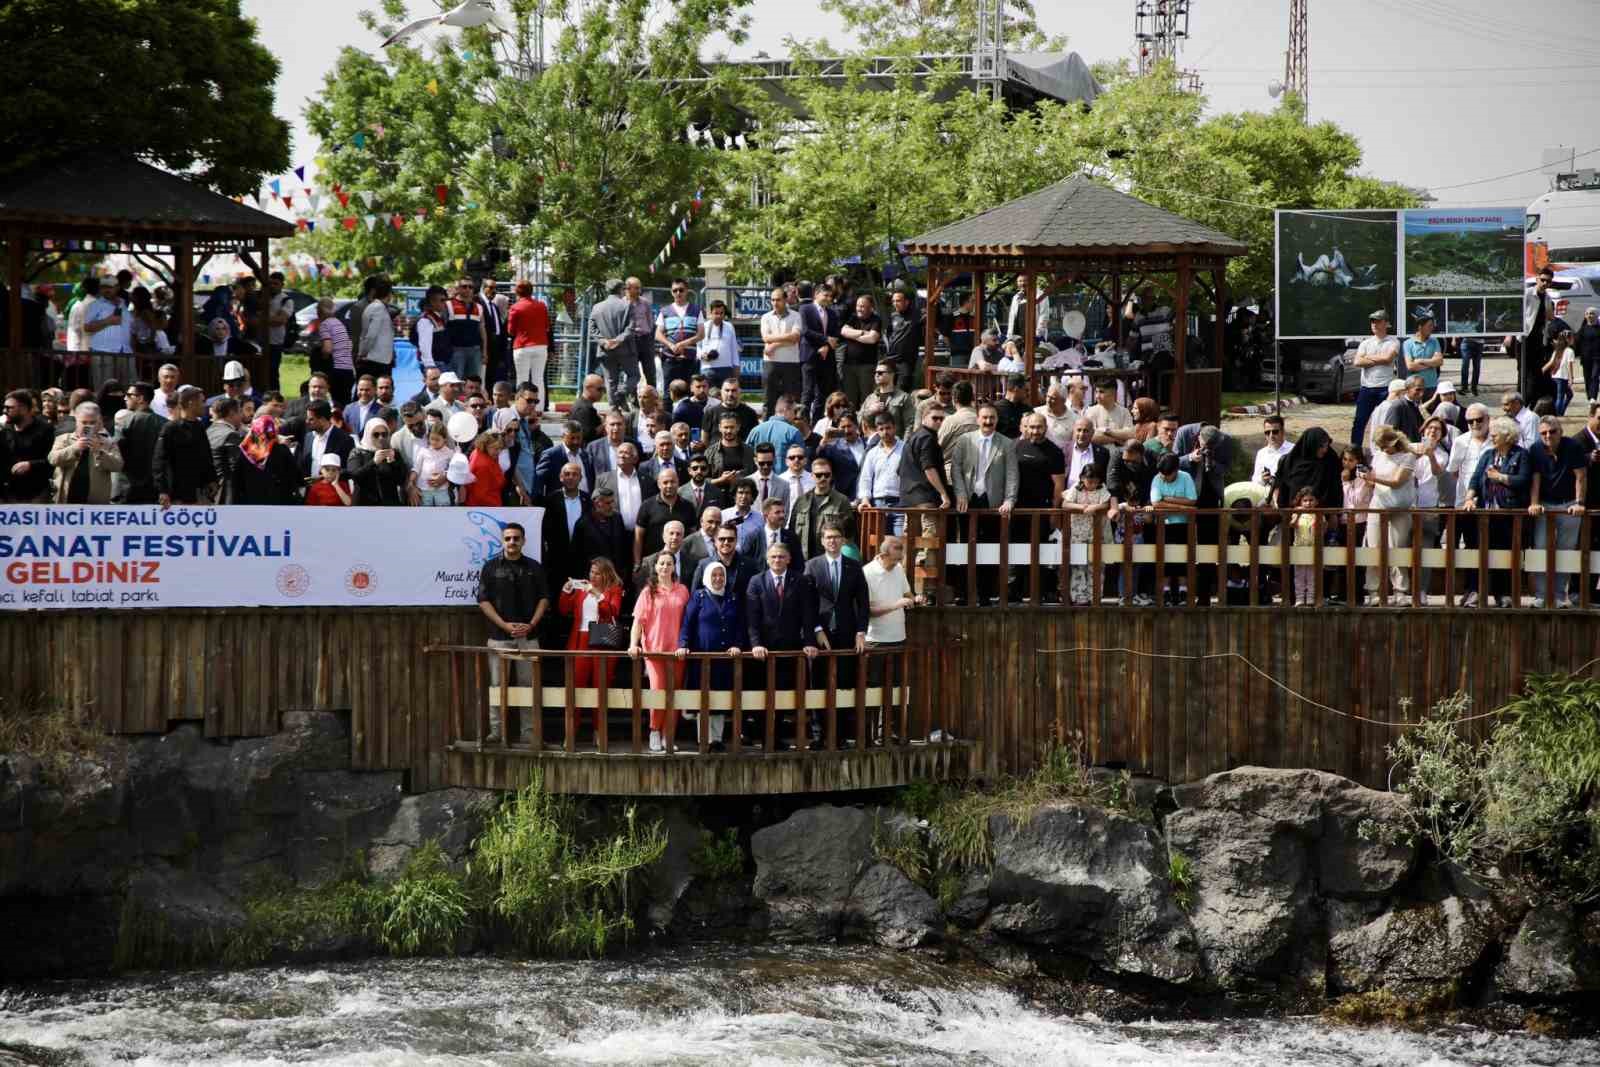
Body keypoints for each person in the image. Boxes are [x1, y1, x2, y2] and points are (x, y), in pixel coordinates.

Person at [477, 523, 550, 744]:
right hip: (499, 637)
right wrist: (504, 625)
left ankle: (528, 733)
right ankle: (497, 732)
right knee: (497, 687)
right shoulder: (490, 567)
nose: (512, 542)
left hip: (528, 638)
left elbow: (544, 599)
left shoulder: (534, 567)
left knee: (529, 687)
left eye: (516, 538)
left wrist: (531, 624)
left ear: (523, 541)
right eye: (508, 538)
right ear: (502, 540)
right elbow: (482, 601)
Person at [1464, 416, 1534, 607]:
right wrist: (1469, 498)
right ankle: (1476, 592)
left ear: (1507, 435)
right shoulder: (1488, 454)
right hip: (1486, 513)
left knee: (1505, 555)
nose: (1492, 436)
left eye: (1495, 434)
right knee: (1480, 553)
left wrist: (1500, 477)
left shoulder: (1521, 455)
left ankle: (1503, 594)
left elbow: (1523, 481)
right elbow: (1475, 478)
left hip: (1508, 514)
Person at [676, 560, 744, 750]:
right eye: (714, 575)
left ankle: (717, 739)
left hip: (724, 658)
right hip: (702, 657)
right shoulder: (699, 596)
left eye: (721, 575)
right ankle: (704, 739)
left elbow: (740, 626)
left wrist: (737, 645)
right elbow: (687, 623)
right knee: (703, 697)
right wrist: (683, 644)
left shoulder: (732, 597)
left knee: (720, 698)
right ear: (707, 576)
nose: (718, 578)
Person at [629, 552, 690, 753]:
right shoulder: (648, 592)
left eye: (669, 563)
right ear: (655, 567)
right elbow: (638, 622)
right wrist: (633, 644)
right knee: (658, 692)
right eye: (662, 563)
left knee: (675, 694)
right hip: (654, 651)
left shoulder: (683, 590)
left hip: (677, 652)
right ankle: (654, 731)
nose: (665, 567)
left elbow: (688, 622)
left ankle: (668, 735)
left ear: (674, 567)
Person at [1527, 414, 1587, 608]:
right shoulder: (1535, 449)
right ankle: (1541, 595)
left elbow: (1580, 476)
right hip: (1545, 504)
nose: (1548, 435)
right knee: (1540, 548)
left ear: (1560, 431)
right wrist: (1534, 503)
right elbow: (1535, 478)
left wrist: (1578, 502)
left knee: (1566, 550)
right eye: (1543, 432)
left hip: (1568, 504)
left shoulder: (1573, 446)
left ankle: (1560, 595)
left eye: (1552, 431)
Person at [561, 558, 625, 737]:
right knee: (576, 687)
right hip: (579, 640)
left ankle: (599, 732)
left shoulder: (614, 590)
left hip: (601, 640)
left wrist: (597, 594)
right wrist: (566, 592)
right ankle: (571, 732)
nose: (593, 576)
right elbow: (564, 609)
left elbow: (611, 612)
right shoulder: (583, 589)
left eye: (597, 573)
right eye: (591, 572)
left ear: (606, 574)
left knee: (601, 688)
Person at [1361, 427, 1417, 605]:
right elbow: (1373, 481)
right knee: (1374, 548)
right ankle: (1373, 590)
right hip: (1378, 505)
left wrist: (1374, 478)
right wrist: (1367, 479)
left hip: (1400, 507)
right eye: (1381, 447)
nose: (1384, 450)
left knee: (1398, 548)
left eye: (1386, 446)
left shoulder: (1408, 456)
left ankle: (1400, 591)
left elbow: (1397, 482)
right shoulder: (1378, 456)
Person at [49, 402, 123, 504]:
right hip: (66, 499)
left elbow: (118, 466)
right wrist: (75, 448)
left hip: (95, 502)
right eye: (84, 422)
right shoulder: (64, 439)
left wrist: (99, 451)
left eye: (92, 423)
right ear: (77, 421)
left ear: (99, 422)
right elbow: (53, 459)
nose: (88, 426)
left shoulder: (108, 442)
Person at [1061, 463, 1114, 605]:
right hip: (1079, 534)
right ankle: (1079, 597)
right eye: (1089, 481)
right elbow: (1065, 504)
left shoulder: (1102, 489)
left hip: (1097, 535)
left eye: (1095, 481)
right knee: (1079, 565)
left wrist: (1095, 507)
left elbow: (1106, 503)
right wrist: (1082, 508)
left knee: (1096, 566)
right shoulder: (1076, 489)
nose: (1092, 484)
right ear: (1082, 478)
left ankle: (1095, 596)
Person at [152, 387, 215, 506]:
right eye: (202, 401)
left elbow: (206, 456)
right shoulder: (171, 428)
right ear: (191, 403)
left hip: (199, 493)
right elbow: (159, 461)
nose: (205, 405)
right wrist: (163, 490)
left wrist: (211, 480)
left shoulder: (200, 427)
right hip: (177, 496)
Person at [1147, 452, 1196, 604]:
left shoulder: (1185, 477)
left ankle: (1183, 592)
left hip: (1183, 525)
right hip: (1164, 525)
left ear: (1176, 470)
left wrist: (1167, 499)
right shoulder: (1157, 478)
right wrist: (1181, 505)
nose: (1163, 477)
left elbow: (1192, 500)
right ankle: (1166, 592)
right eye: (1162, 474)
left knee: (1182, 558)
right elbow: (1155, 502)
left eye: (1167, 474)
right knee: (1165, 558)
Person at [1350, 309, 1401, 452]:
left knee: (1385, 422)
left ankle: (1385, 451)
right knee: (1359, 421)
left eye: (1378, 321)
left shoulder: (1393, 341)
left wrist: (1369, 358)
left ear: (1386, 324)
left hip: (1385, 389)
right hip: (1366, 388)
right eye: (1373, 321)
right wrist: (1378, 359)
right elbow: (1357, 362)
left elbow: (1388, 359)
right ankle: (1355, 451)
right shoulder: (1365, 343)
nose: (1374, 324)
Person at [790, 457, 857, 561]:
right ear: (812, 476)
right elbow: (792, 532)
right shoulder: (801, 501)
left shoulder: (841, 501)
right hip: (804, 560)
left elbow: (849, 535)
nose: (823, 478)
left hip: (829, 559)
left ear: (831, 476)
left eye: (827, 475)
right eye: (818, 475)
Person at [230, 414, 300, 505]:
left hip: (251, 503)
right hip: (279, 503)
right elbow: (296, 475)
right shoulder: (282, 450)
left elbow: (236, 481)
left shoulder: (244, 452)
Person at [590, 279, 638, 409]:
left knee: (610, 380)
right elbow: (631, 327)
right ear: (621, 290)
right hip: (625, 349)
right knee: (634, 375)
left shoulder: (597, 307)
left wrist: (604, 341)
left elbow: (592, 328)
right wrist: (618, 340)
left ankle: (613, 408)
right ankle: (621, 393)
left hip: (605, 350)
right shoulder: (627, 306)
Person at [348, 418, 412, 506]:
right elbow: (354, 476)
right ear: (368, 435)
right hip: (364, 505)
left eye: (384, 434)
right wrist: (373, 462)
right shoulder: (358, 452)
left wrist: (393, 463)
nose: (381, 438)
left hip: (389, 506)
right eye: (376, 435)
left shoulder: (393, 452)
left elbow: (401, 480)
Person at [506, 280, 550, 394]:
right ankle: (539, 409)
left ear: (517, 292)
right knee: (538, 379)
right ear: (531, 291)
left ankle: (522, 407)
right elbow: (546, 326)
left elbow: (510, 331)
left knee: (522, 379)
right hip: (541, 345)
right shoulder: (542, 306)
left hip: (522, 345)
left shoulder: (515, 307)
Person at [315, 298, 356, 403]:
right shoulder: (339, 323)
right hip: (348, 369)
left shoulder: (325, 325)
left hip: (336, 369)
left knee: (335, 402)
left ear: (320, 311)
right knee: (345, 402)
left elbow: (328, 349)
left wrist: (322, 357)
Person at [356, 278, 396, 382]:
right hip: (376, 360)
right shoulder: (378, 308)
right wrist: (363, 353)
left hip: (375, 358)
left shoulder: (374, 307)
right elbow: (371, 335)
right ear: (388, 294)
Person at [1288, 486, 1321, 607]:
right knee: (1299, 575)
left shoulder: (1318, 514)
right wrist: (1298, 513)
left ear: (1316, 502)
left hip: (1313, 548)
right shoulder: (1297, 514)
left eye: (1311, 500)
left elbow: (1323, 529)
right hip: (1299, 548)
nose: (1308, 503)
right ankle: (1300, 598)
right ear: (1300, 501)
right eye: (1305, 501)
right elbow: (1292, 525)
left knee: (1312, 575)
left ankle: (1311, 597)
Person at [696, 301, 741, 389]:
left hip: (726, 368)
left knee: (725, 397)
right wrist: (702, 355)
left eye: (721, 313)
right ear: (710, 313)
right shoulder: (703, 326)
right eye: (716, 313)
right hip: (708, 368)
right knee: (709, 397)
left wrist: (736, 367)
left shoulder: (729, 326)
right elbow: (697, 346)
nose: (719, 316)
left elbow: (734, 349)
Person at [1403, 312, 1444, 392]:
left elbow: (1439, 361)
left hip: (1432, 385)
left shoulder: (1434, 341)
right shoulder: (1408, 343)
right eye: (1429, 326)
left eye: (1432, 325)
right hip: (1414, 387)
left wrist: (1420, 361)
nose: (1432, 328)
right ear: (1420, 327)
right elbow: (1411, 366)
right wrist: (1431, 364)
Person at [463, 431, 506, 507]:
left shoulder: (479, 452)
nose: (499, 451)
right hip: (486, 508)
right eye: (495, 448)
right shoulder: (483, 466)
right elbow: (481, 495)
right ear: (485, 445)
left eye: (500, 448)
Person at [1543, 333, 1579, 416]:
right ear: (1568, 340)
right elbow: (1569, 366)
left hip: (1555, 376)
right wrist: (1571, 378)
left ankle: (1561, 412)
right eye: (1572, 338)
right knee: (1560, 397)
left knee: (1569, 395)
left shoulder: (1557, 350)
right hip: (1562, 377)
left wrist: (1542, 370)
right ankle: (1557, 414)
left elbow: (1550, 362)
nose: (1573, 340)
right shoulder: (1570, 351)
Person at [1576, 308, 1600, 404]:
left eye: (1592, 314)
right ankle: (1589, 397)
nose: (1590, 315)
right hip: (1586, 358)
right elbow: (1576, 343)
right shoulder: (1582, 330)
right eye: (1588, 314)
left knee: (1594, 376)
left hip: (1597, 358)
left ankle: (1593, 397)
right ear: (1585, 316)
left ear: (1596, 316)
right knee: (1587, 378)